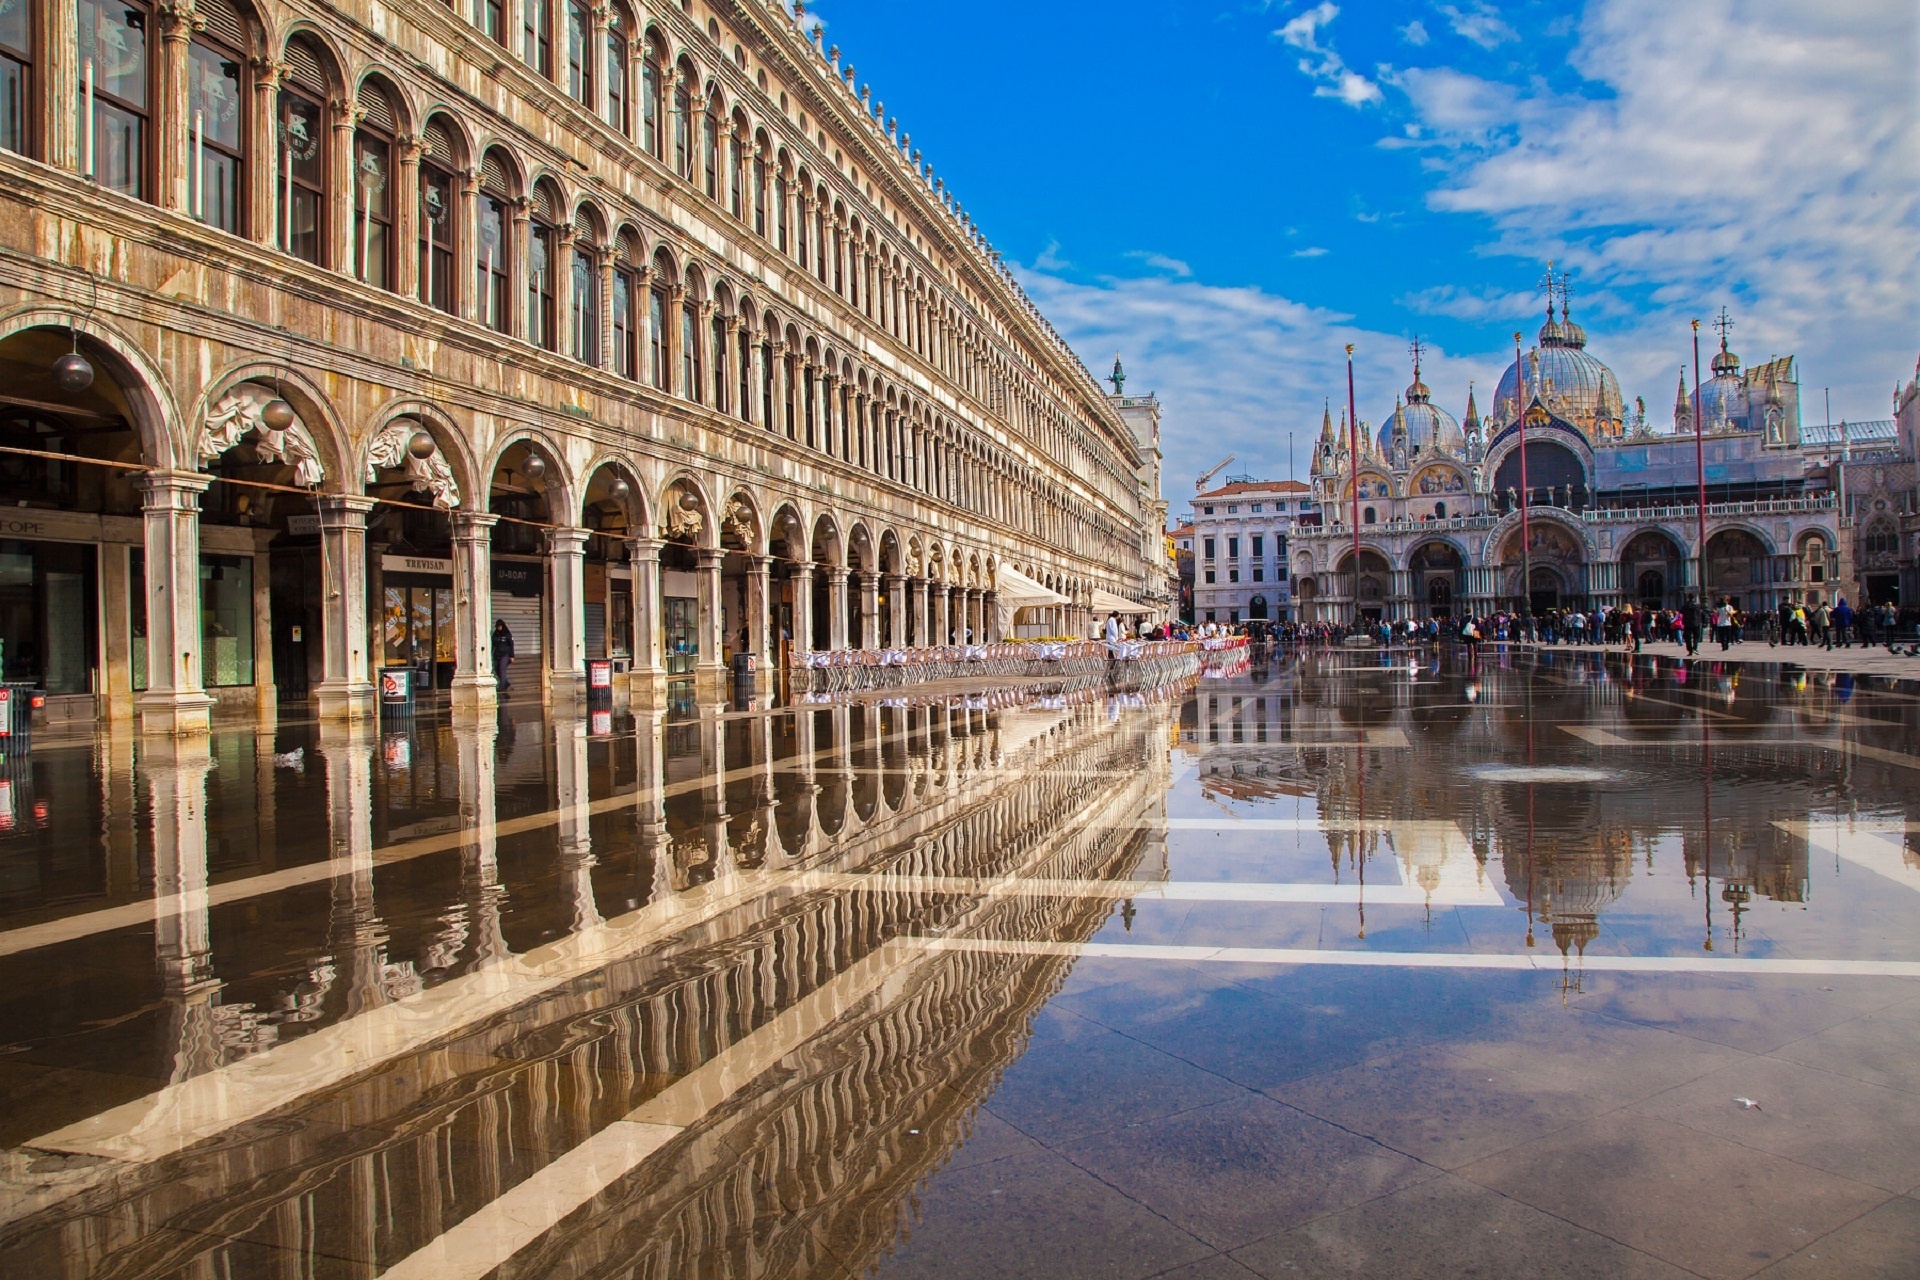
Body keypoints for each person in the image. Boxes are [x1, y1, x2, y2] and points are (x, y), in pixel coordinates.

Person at [491, 619, 515, 692]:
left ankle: (502, 687)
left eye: (499, 626)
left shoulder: (507, 634)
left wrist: (512, 656)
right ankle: (505, 683)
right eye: (497, 627)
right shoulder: (495, 634)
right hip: (496, 655)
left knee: (502, 670)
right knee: (497, 670)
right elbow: (492, 644)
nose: (498, 628)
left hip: (505, 655)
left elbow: (511, 645)